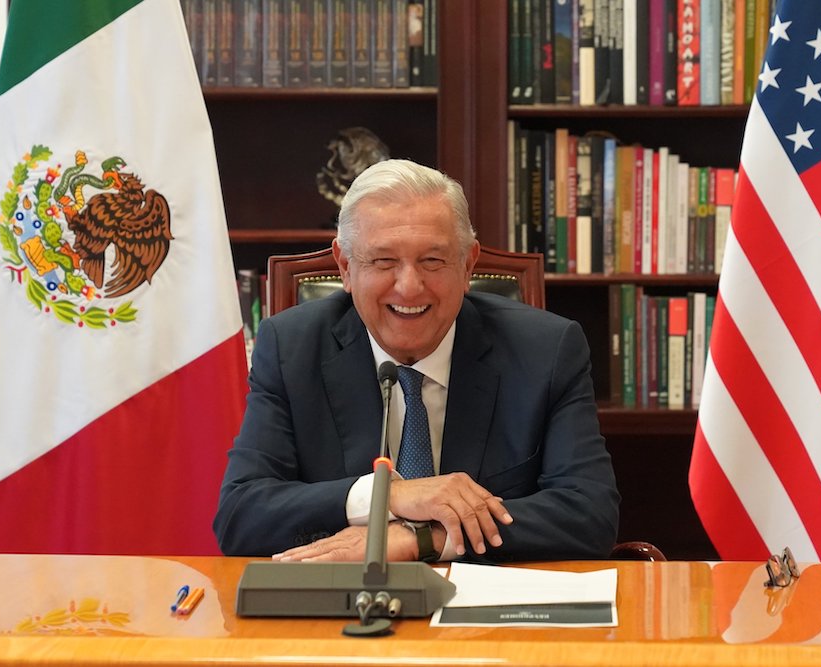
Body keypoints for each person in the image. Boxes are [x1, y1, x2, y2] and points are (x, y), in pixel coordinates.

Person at [214, 159, 619, 563]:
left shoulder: (546, 351)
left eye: (432, 261)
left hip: (489, 602)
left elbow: (590, 515)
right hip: (339, 598)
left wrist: (420, 538)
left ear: (468, 265)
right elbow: (240, 515)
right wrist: (388, 496)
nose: (409, 287)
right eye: (384, 261)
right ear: (345, 267)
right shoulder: (290, 348)